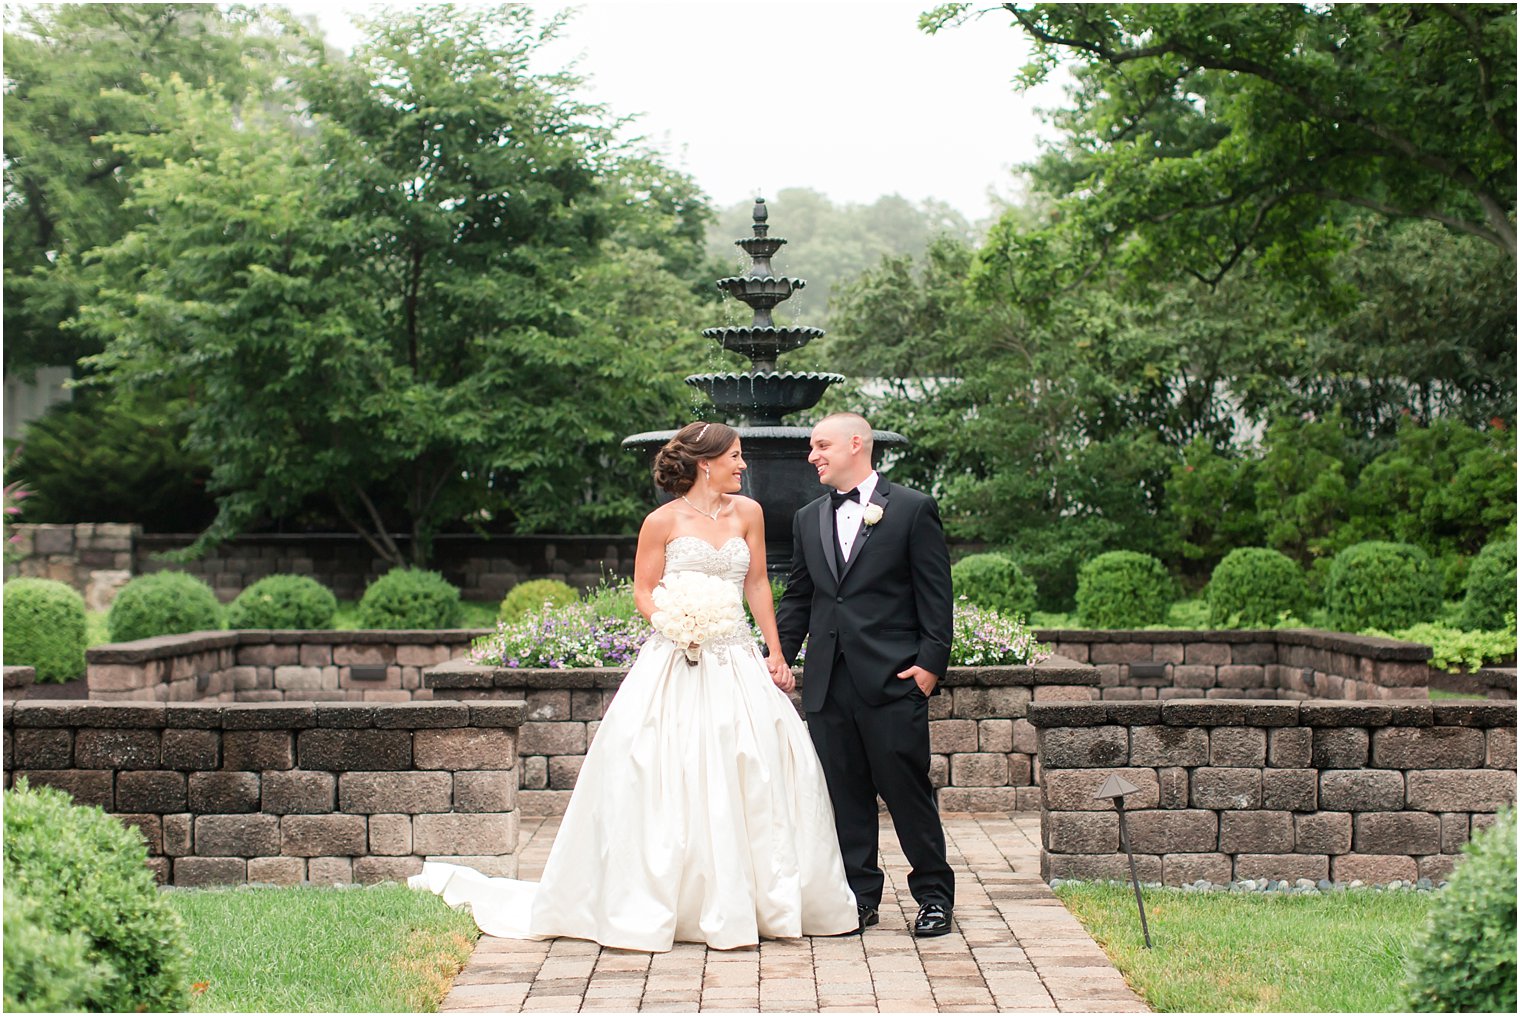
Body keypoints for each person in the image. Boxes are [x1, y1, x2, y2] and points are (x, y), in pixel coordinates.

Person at [411, 421, 858, 951]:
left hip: (736, 655)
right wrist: (675, 621)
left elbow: (757, 583)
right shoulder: (661, 521)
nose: (743, 466)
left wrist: (776, 653)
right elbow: (644, 591)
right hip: (678, 655)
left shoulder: (751, 514)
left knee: (756, 765)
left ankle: (762, 897)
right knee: (663, 766)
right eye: (735, 457)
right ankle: (669, 898)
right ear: (705, 462)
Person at [775, 412, 957, 937]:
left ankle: (933, 897)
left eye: (821, 445)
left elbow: (935, 596)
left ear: (857, 444)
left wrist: (929, 667)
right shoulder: (808, 517)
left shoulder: (913, 509)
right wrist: (780, 657)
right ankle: (859, 897)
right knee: (844, 796)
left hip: (893, 680)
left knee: (906, 793)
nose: (813, 456)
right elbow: (801, 598)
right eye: (812, 447)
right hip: (829, 685)